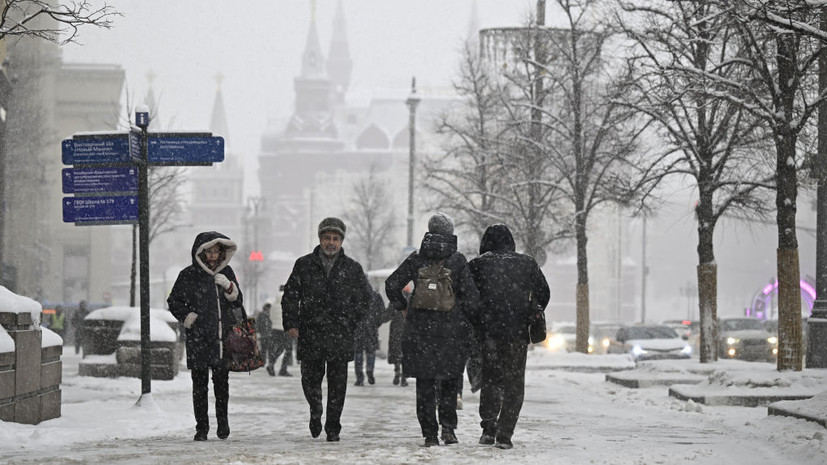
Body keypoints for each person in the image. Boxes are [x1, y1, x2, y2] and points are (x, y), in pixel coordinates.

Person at [385, 212, 480, 447]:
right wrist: (464, 316)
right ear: (450, 232)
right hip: (451, 332)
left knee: (425, 383)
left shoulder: (417, 258)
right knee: (449, 381)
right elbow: (471, 298)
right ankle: (448, 429)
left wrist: (403, 307)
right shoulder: (457, 261)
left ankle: (429, 434)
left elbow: (392, 284)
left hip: (420, 331)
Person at [282, 217, 371, 442]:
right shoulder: (303, 264)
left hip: (340, 333)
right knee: (310, 380)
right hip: (310, 332)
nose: (331, 242)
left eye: (335, 239)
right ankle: (315, 409)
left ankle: (333, 426)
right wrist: (291, 323)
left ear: (341, 241)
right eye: (327, 238)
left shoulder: (352, 268)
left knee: (337, 384)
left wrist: (351, 321)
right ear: (320, 239)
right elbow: (291, 296)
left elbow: (364, 299)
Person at [468, 224, 549, 450]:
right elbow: (544, 293)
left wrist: (479, 319)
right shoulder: (527, 263)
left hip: (488, 333)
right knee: (514, 383)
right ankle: (505, 434)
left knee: (491, 380)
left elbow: (465, 295)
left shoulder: (477, 265)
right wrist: (529, 309)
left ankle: (488, 428)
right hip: (516, 334)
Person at [167, 231, 243, 442]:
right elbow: (173, 301)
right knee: (199, 386)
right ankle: (201, 427)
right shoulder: (188, 275)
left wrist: (229, 286)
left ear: (222, 252)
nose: (212, 256)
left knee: (222, 384)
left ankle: (223, 423)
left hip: (222, 338)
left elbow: (238, 302)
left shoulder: (227, 271)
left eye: (216, 251)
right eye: (208, 251)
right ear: (200, 252)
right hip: (199, 338)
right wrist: (188, 317)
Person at [353, 287, 384, 386]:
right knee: (370, 352)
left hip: (358, 329)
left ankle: (359, 377)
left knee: (358, 353)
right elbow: (381, 312)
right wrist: (375, 324)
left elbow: (349, 312)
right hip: (371, 329)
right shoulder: (375, 296)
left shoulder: (355, 295)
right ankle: (370, 369)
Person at [385, 286, 409, 387]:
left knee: (396, 353)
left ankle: (397, 372)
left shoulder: (395, 301)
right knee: (405, 354)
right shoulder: (412, 299)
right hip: (408, 331)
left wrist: (376, 320)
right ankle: (403, 376)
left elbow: (386, 315)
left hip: (396, 330)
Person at [269, 286, 293, 377]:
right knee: (288, 349)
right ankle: (283, 370)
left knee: (279, 348)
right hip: (285, 329)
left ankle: (271, 364)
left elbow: (270, 317)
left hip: (275, 329)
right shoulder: (288, 301)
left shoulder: (274, 304)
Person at [256, 300, 276, 376]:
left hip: (266, 335)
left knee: (266, 350)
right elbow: (258, 324)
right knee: (266, 350)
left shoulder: (264, 314)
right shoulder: (263, 314)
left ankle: (264, 362)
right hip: (266, 335)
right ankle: (264, 362)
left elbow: (258, 324)